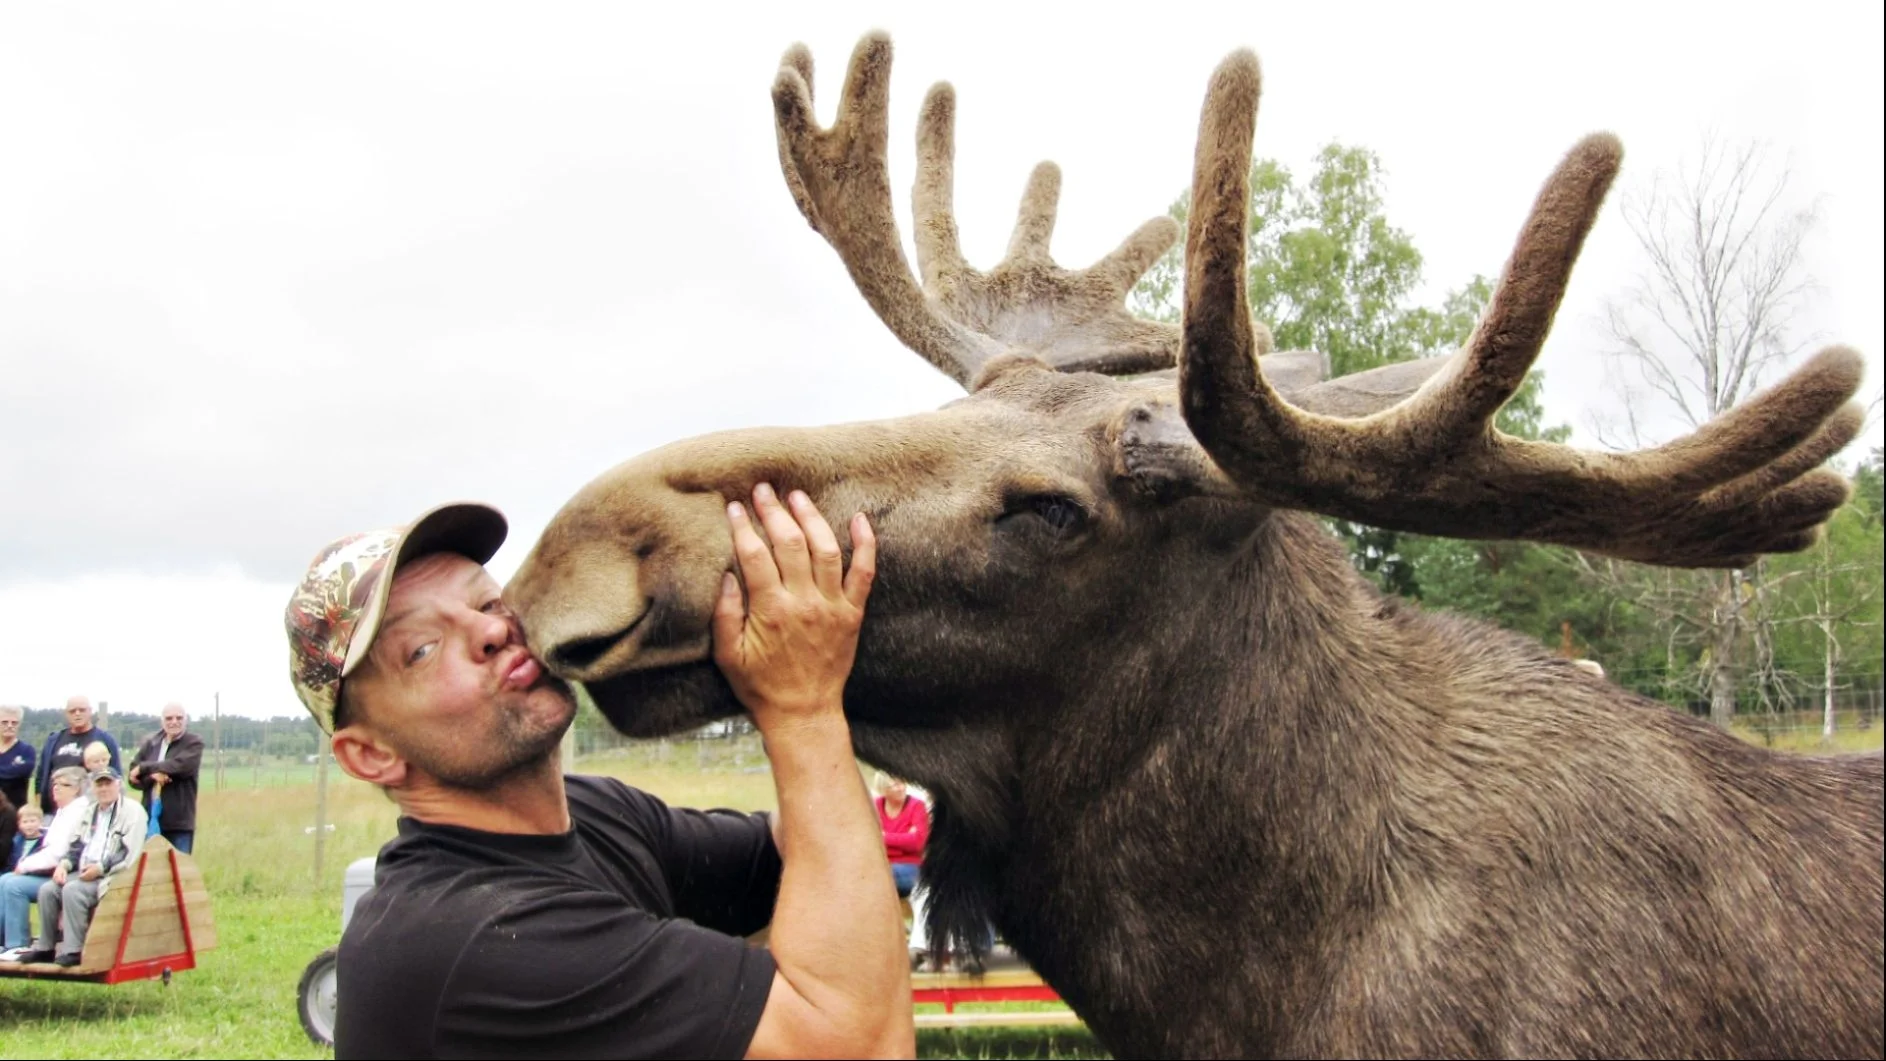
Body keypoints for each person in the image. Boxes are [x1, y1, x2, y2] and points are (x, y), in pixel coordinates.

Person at [284, 492, 912, 1058]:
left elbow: (809, 853)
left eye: (487, 601)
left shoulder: (593, 812)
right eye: (422, 649)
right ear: (371, 755)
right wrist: (802, 707)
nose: (492, 629)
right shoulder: (462, 942)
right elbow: (856, 1046)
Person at [20, 767, 146, 967]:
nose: (103, 789)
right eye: (99, 784)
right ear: (93, 788)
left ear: (118, 785)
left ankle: (74, 950)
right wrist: (64, 864)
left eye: (108, 783)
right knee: (48, 890)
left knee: (73, 890)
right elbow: (77, 844)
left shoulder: (132, 812)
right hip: (85, 871)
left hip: (114, 875)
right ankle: (45, 948)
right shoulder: (91, 811)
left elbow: (127, 851)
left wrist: (100, 868)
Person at [0, 767, 87, 957]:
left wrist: (24, 865)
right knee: (4, 880)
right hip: (53, 872)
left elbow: (57, 853)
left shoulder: (77, 812)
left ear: (76, 789)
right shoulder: (63, 811)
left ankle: (17, 945)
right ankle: (4, 941)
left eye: (63, 784)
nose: (56, 788)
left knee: (14, 885)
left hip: (69, 874)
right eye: (54, 784)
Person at [128, 703, 205, 853]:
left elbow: (180, 766)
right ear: (162, 721)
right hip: (150, 821)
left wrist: (144, 768)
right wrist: (152, 776)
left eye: (179, 718)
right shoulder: (152, 743)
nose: (174, 722)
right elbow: (133, 776)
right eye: (169, 718)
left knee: (179, 867)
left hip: (178, 823)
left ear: (186, 720)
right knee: (149, 866)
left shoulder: (193, 743)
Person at [34, 696, 122, 813]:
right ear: (66, 714)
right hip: (52, 813)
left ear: (90, 711)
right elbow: (41, 777)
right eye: (72, 711)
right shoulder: (53, 740)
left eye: (82, 710)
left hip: (90, 812)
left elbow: (116, 776)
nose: (77, 713)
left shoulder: (105, 740)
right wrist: (38, 807)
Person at [874, 772, 929, 901]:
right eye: (896, 785)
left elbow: (919, 843)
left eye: (903, 783)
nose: (902, 788)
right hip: (882, 864)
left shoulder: (917, 806)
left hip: (910, 868)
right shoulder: (875, 805)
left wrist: (884, 837)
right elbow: (870, 839)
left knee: (879, 875)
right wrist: (905, 840)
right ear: (884, 789)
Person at [0, 705, 33, 811]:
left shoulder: (26, 750)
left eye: (14, 723)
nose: (10, 726)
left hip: (16, 811)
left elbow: (19, 773)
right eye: (4, 722)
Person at [6, 803, 44, 875]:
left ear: (41, 821)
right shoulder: (16, 840)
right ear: (19, 824)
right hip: (15, 873)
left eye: (32, 821)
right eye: (25, 822)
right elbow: (11, 863)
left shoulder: (45, 841)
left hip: (34, 874)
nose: (29, 825)